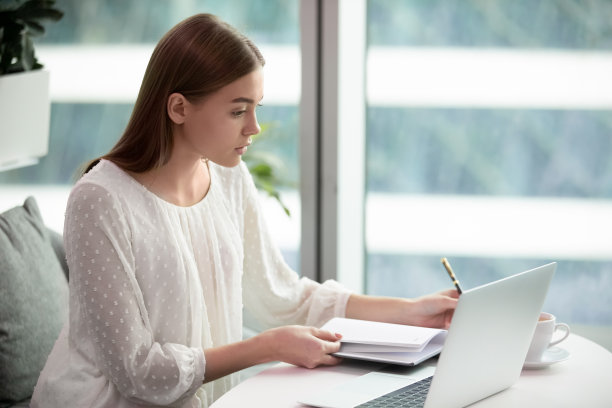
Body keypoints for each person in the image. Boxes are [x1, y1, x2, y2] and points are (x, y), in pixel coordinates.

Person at [31, 13, 458, 408]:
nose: (253, 128)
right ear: (178, 107)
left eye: (257, 108)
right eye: (238, 110)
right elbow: (139, 371)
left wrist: (411, 311)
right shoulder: (100, 201)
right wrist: (269, 346)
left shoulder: (229, 178)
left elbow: (284, 298)